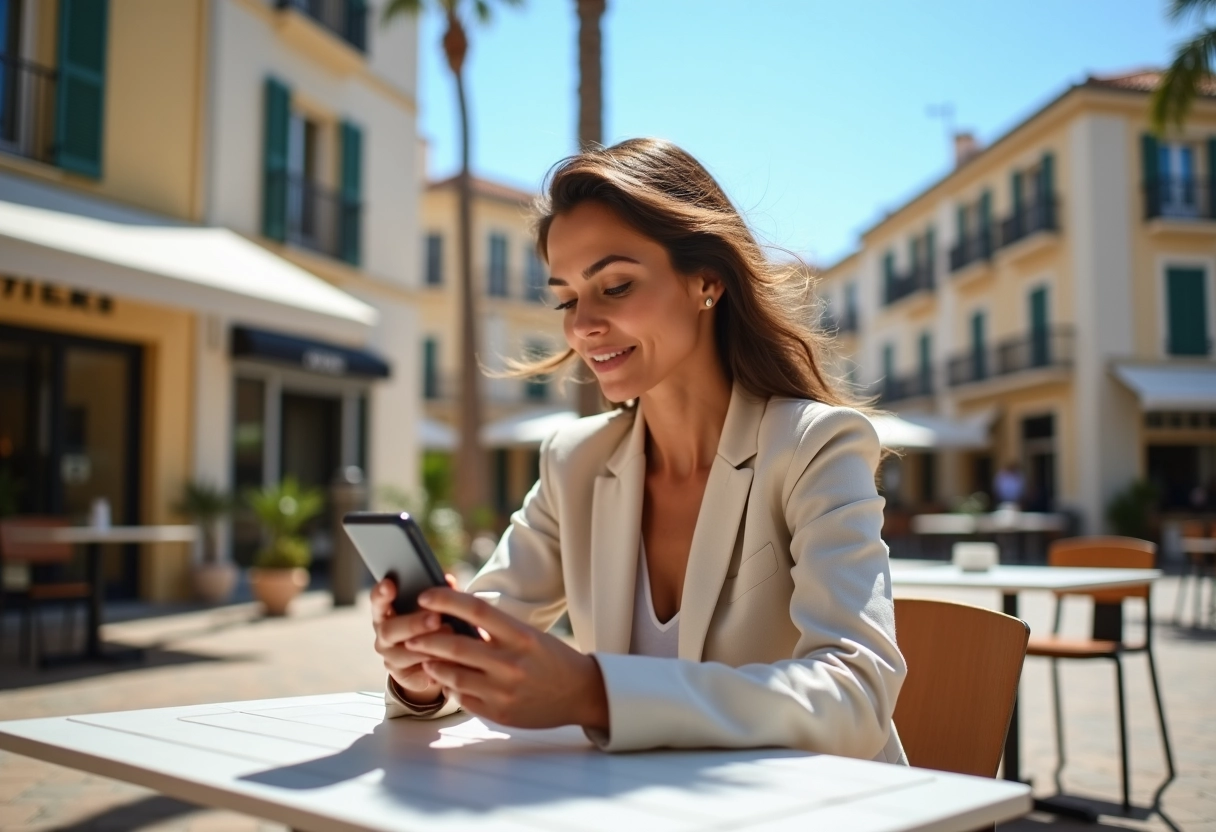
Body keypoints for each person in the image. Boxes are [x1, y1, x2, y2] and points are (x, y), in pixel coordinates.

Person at [370, 138, 907, 763]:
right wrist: (427, 670)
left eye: (616, 286)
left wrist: (594, 693)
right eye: (566, 298)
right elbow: (489, 634)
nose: (581, 325)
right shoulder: (574, 461)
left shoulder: (815, 446)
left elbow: (857, 694)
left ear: (707, 281)